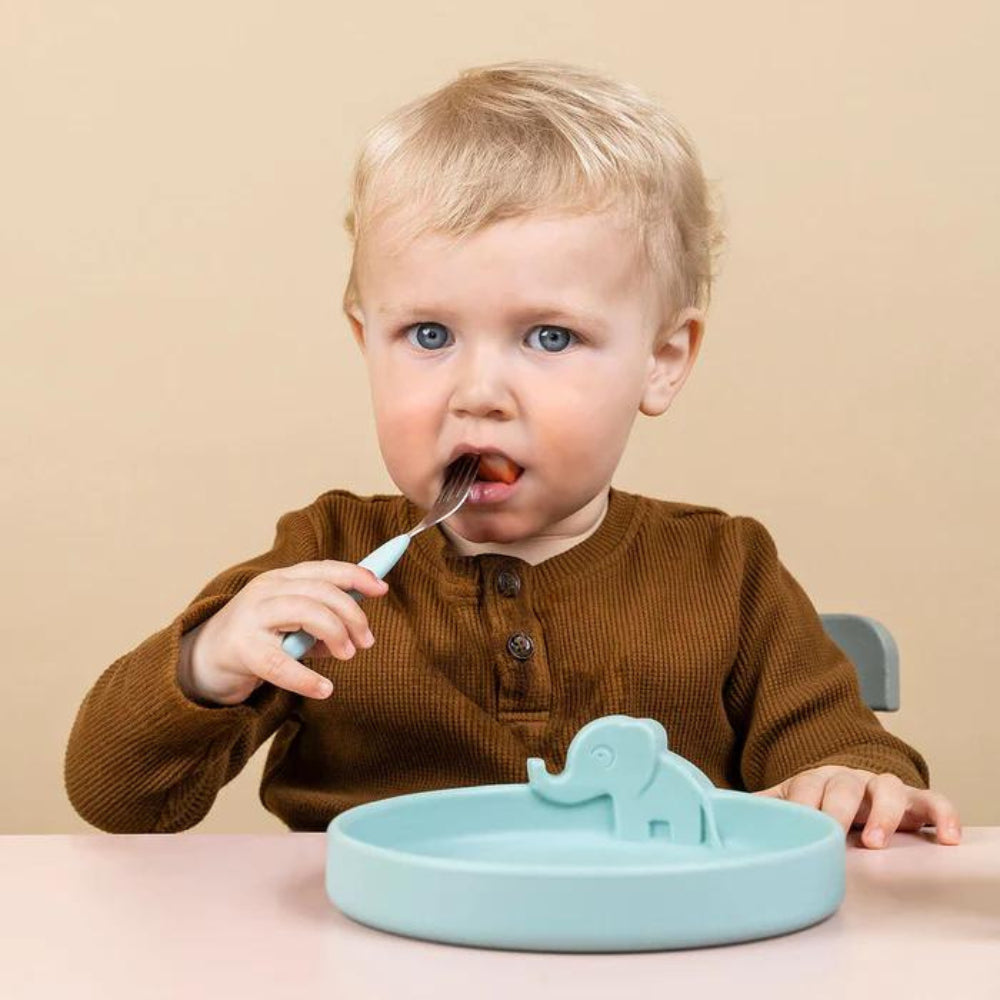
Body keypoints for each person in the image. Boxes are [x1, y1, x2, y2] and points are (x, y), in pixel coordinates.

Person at [65, 61, 961, 849]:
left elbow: (846, 756)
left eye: (549, 337)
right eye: (428, 334)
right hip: (372, 947)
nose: (479, 391)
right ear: (365, 342)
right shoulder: (322, 558)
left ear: (661, 359)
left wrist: (851, 783)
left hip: (654, 948)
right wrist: (208, 663)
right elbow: (120, 801)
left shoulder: (728, 571)